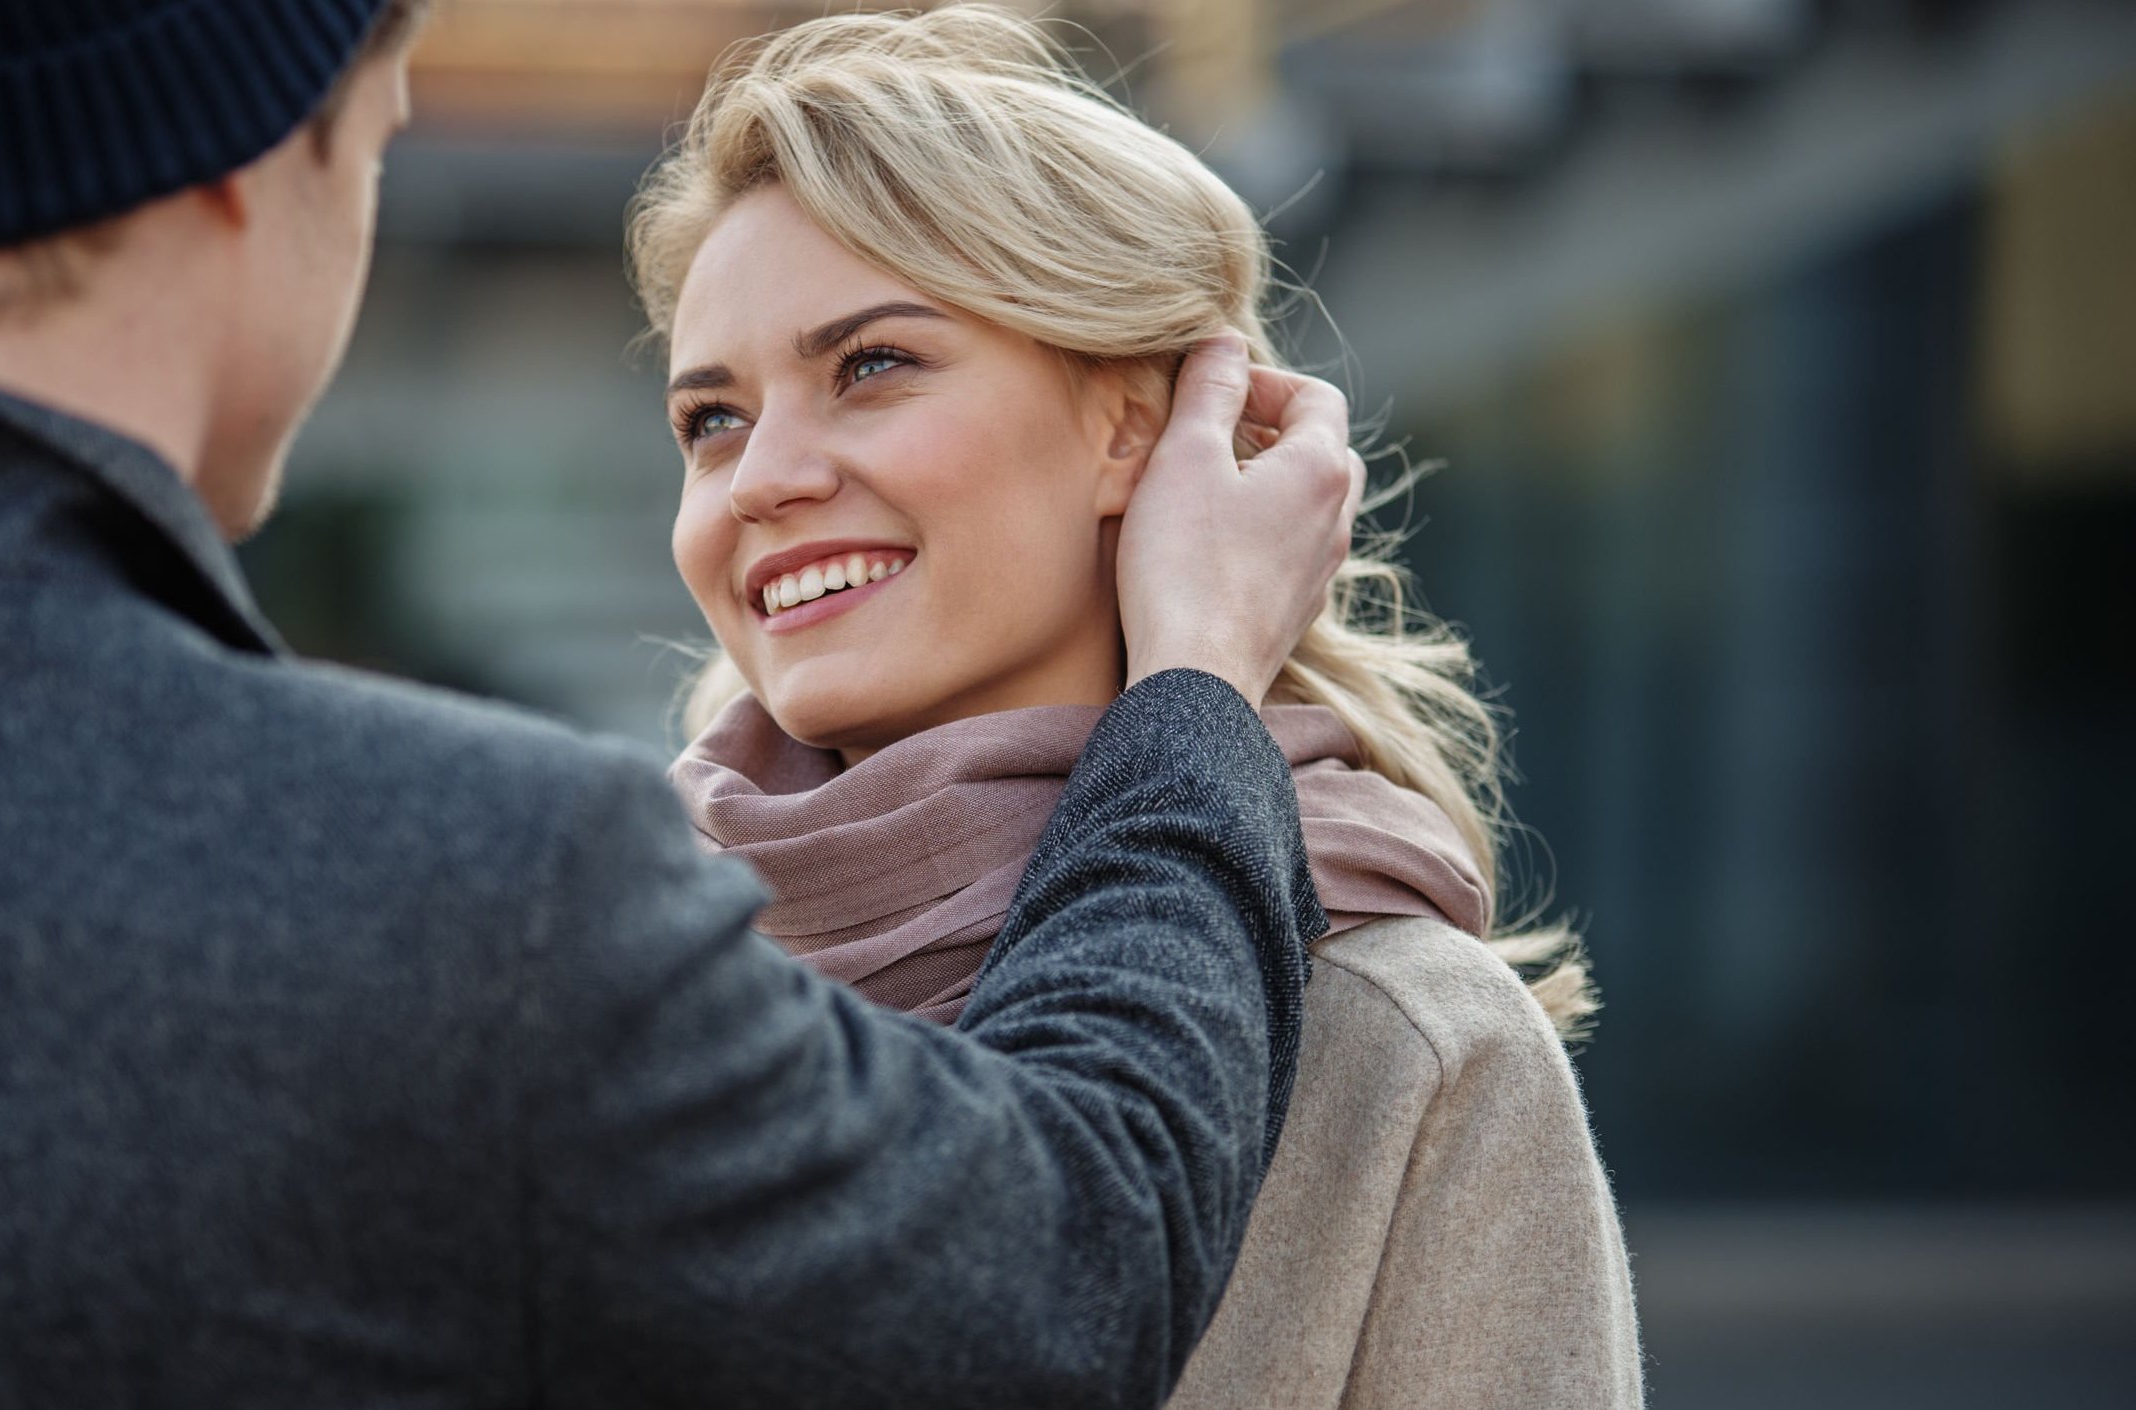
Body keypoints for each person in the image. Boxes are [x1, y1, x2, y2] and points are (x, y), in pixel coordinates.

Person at [0, 2, 1368, 1407]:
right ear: (256, 158)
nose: (767, 476)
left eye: (875, 366)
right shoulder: (475, 895)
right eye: (376, 137)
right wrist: (1198, 682)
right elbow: (1072, 1265)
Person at [631, 8, 1644, 1406]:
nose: (760, 478)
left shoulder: (1406, 1043)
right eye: (713, 419)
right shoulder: (610, 998)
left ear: (1136, 428)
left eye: (871, 365)